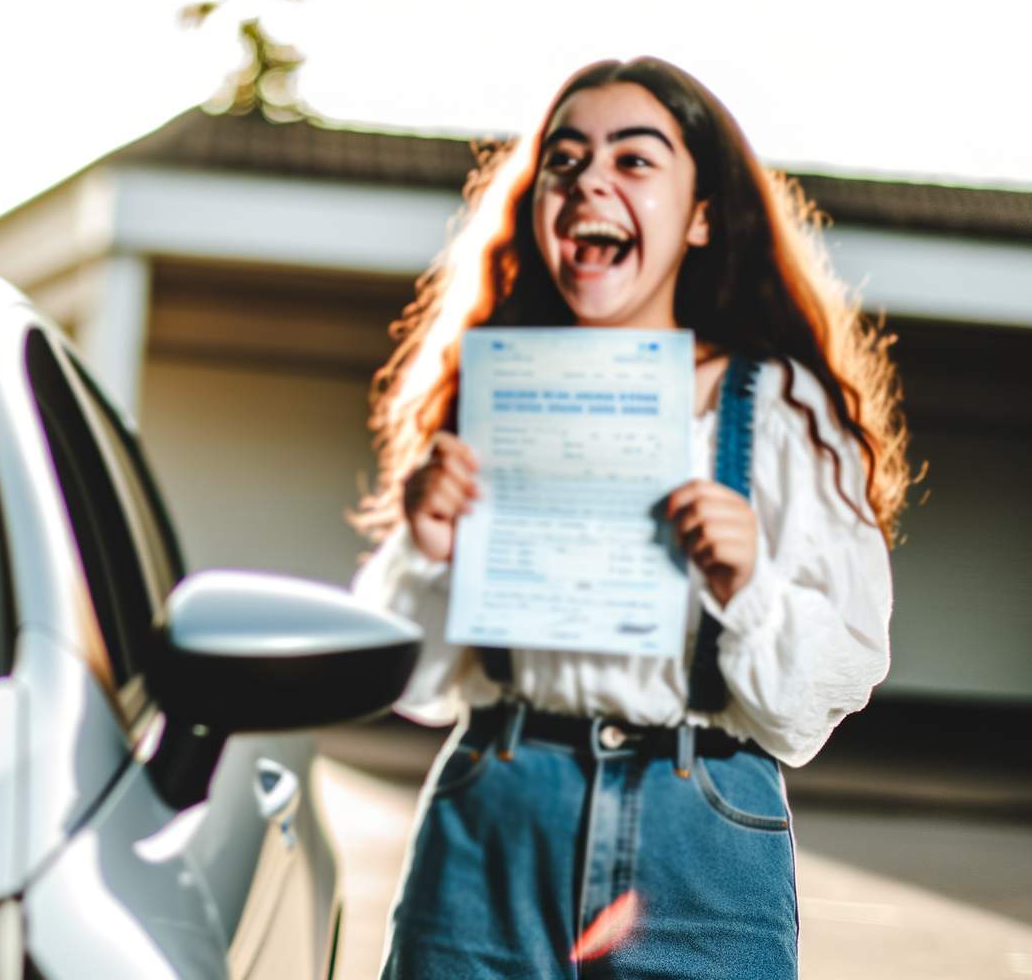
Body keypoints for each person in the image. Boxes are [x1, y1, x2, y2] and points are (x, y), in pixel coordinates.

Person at [351, 57, 912, 979]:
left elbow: (835, 683)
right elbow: (411, 684)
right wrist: (429, 551)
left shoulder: (774, 409)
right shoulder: (490, 398)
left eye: (635, 160)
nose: (590, 182)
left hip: (702, 838)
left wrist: (751, 587)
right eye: (563, 162)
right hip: (495, 819)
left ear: (701, 216)